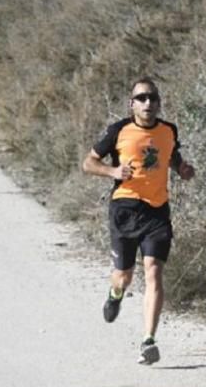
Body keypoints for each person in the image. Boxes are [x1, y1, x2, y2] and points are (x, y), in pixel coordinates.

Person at [82, 77, 195, 365]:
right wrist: (113, 172)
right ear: (132, 103)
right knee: (125, 275)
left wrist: (181, 169)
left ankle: (148, 340)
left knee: (154, 271)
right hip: (125, 208)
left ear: (159, 103)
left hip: (157, 210)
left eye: (153, 98)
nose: (148, 103)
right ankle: (115, 292)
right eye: (142, 98)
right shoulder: (119, 131)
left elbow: (171, 156)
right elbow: (89, 163)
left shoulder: (169, 130)